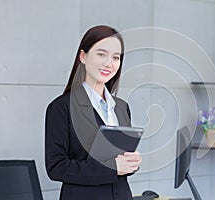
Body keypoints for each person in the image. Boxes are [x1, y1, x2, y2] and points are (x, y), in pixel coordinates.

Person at [45, 25, 142, 200]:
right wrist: (112, 167)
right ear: (83, 56)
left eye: (115, 57)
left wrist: (130, 164)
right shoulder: (61, 108)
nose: (109, 63)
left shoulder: (121, 107)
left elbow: (119, 165)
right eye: (101, 54)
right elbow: (56, 167)